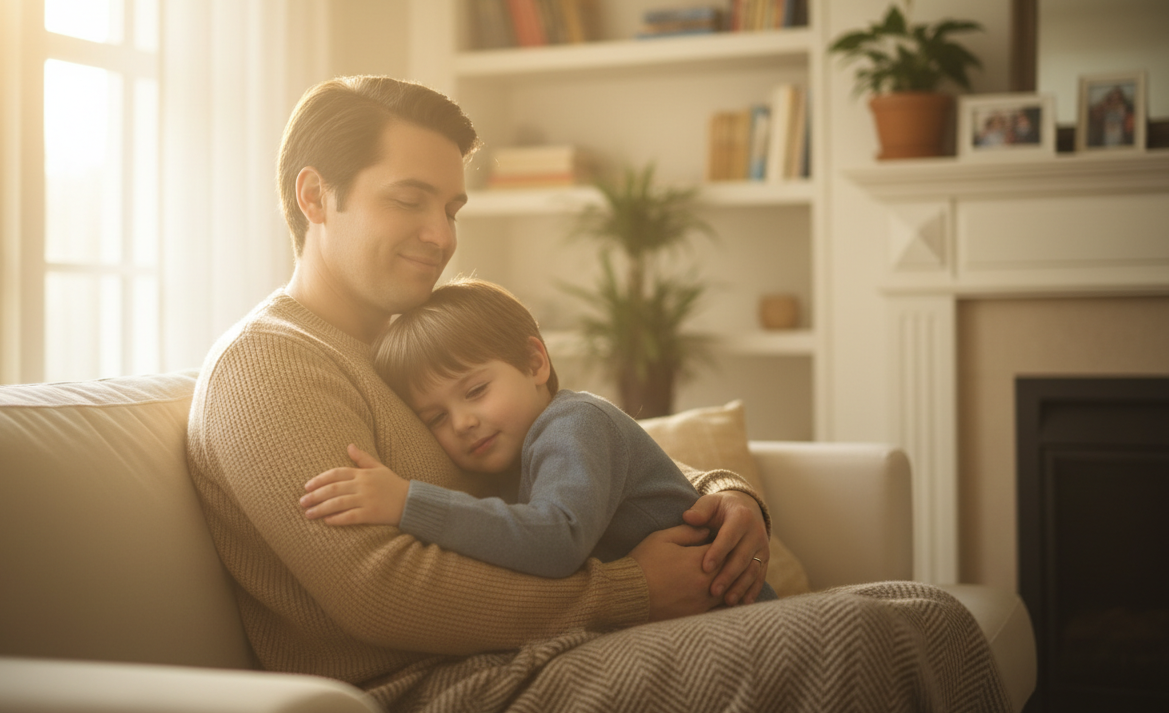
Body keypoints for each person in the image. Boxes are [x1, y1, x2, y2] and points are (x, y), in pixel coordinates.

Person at [187, 75, 1011, 712]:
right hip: (458, 689)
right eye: (410, 200)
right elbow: (384, 594)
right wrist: (633, 591)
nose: (442, 234)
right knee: (873, 633)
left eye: (451, 205)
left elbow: (574, 450)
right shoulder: (270, 367)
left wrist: (725, 497)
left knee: (918, 608)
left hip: (542, 653)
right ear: (313, 195)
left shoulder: (411, 346)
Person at [299, 278, 778, 599]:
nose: (463, 421)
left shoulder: (574, 423)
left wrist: (408, 503)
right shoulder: (513, 454)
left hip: (735, 608)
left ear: (534, 363)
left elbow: (557, 539)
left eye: (476, 390)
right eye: (436, 417)